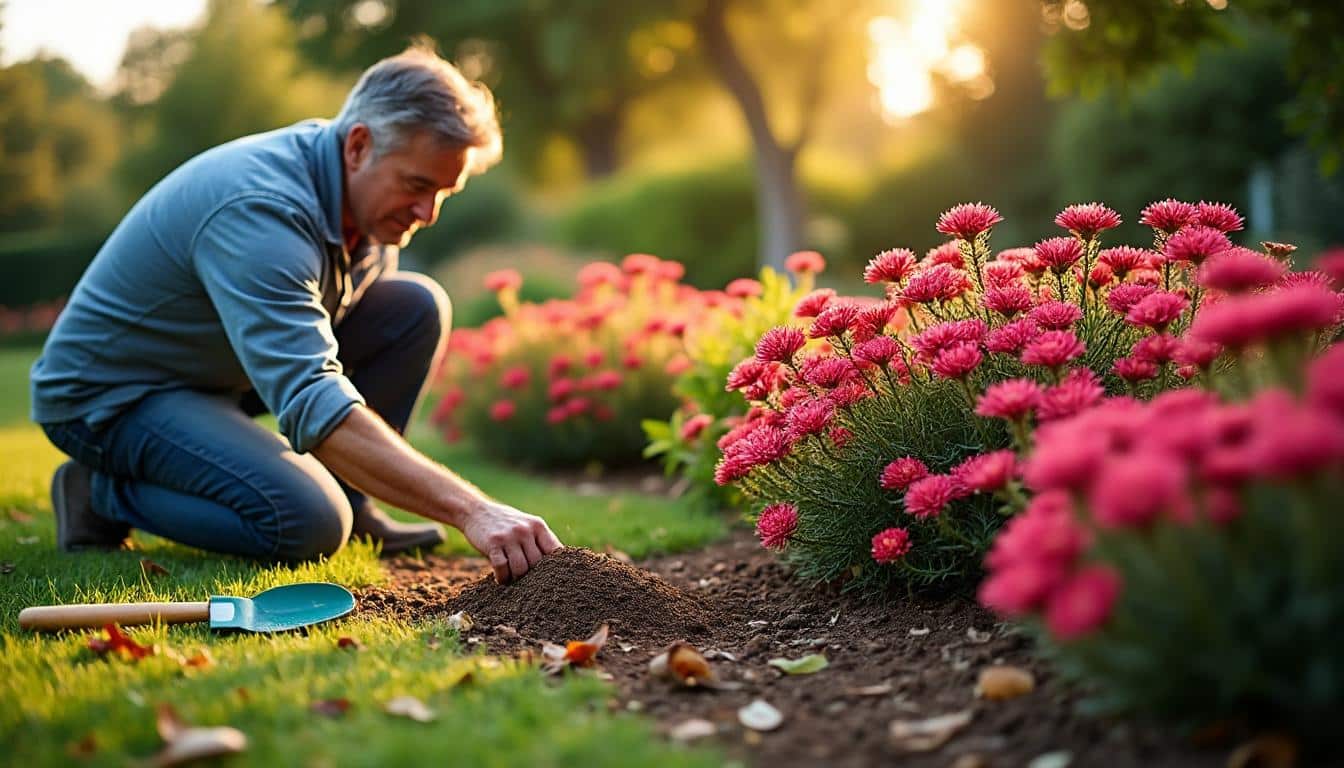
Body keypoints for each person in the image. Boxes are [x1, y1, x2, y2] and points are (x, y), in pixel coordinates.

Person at [29, 43, 562, 583]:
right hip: (110, 397)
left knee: (413, 306)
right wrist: (474, 509)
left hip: (213, 367)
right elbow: (310, 396)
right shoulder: (263, 211)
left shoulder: (365, 205)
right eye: (418, 186)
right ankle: (100, 492)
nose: (428, 214)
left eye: (445, 192)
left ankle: (358, 508)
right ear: (358, 146)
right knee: (306, 521)